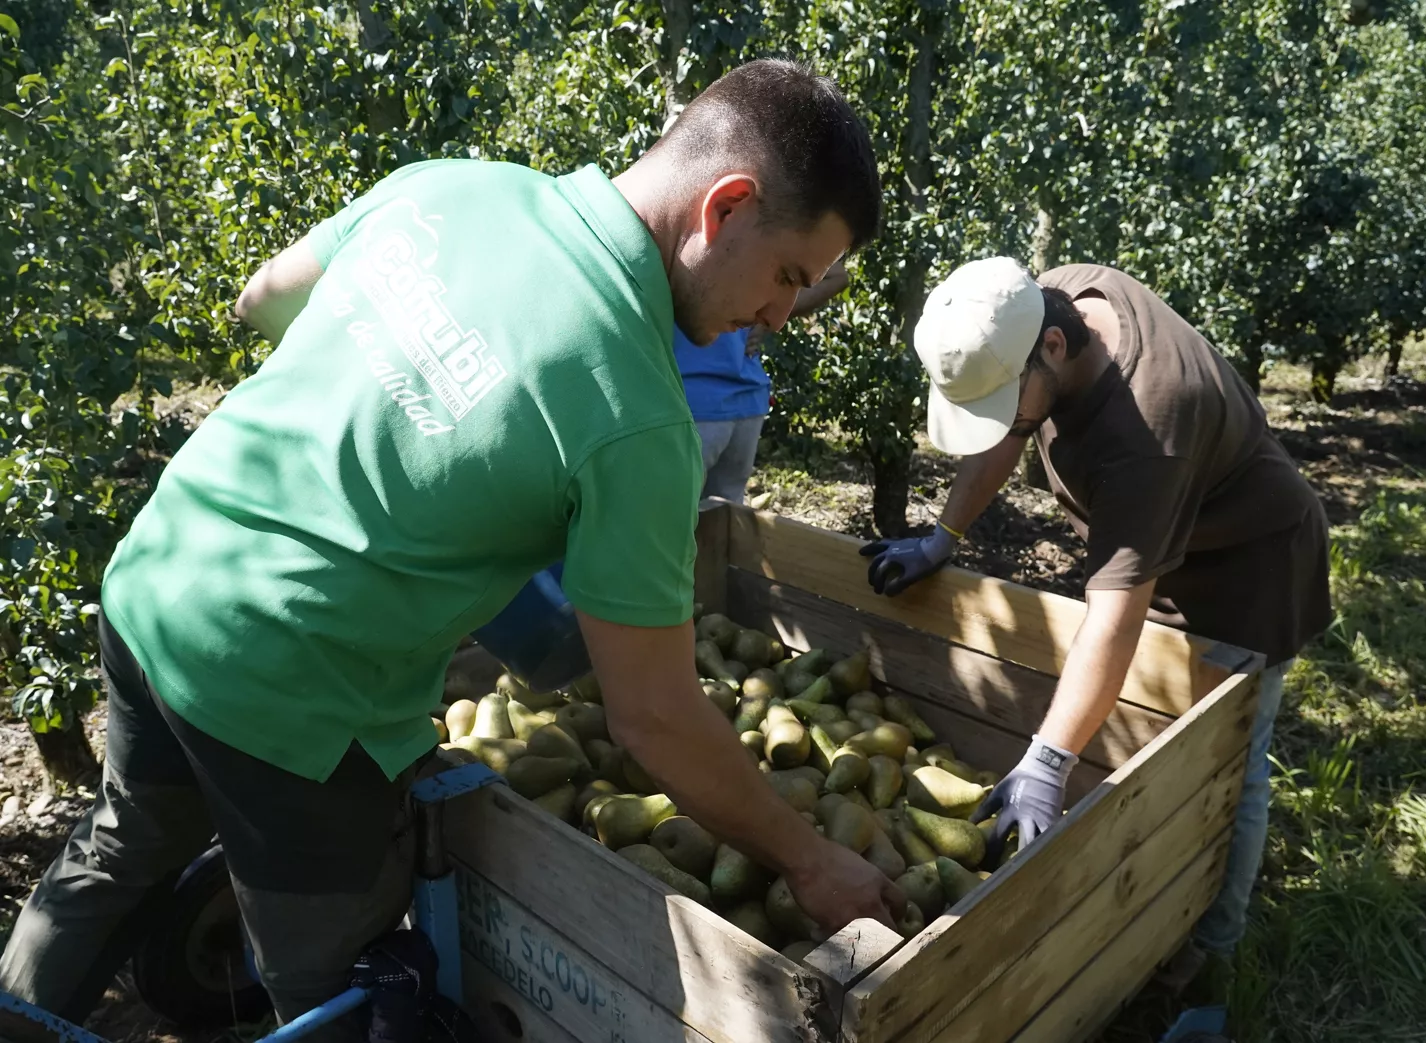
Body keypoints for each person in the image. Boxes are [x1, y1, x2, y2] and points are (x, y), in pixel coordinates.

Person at [0, 60, 904, 1035]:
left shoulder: (457, 187)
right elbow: (655, 719)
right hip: (292, 687)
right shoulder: (638, 419)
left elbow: (264, 297)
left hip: (163, 578)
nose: (776, 319)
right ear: (724, 207)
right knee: (333, 985)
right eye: (788, 277)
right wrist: (810, 857)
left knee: (123, 841)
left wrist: (427, 466)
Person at [861, 257, 1331, 1009]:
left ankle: (1206, 963)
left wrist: (1047, 760)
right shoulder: (1051, 300)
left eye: (1008, 400)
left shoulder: (1150, 421)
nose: (1010, 418)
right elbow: (1006, 430)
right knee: (1161, 749)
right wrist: (943, 535)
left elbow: (1114, 615)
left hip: (1245, 569)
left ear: (1052, 347)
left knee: (1228, 762)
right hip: (1165, 542)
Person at [673, 262, 849, 504]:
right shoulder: (765, 232)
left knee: (671, 516)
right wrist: (765, 316)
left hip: (692, 402)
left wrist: (764, 317)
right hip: (746, 401)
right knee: (724, 519)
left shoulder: (686, 241)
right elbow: (837, 275)